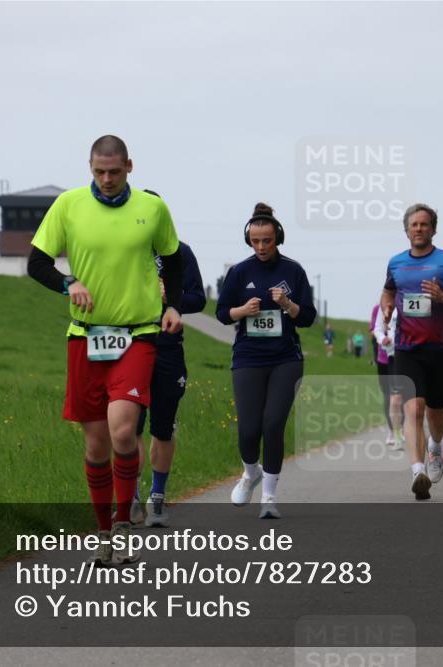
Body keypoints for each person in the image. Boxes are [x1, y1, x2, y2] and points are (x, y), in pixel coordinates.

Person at [28, 135, 182, 565]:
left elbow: (173, 260)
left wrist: (172, 306)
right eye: (99, 171)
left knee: (123, 431)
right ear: (90, 167)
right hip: (86, 337)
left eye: (114, 171)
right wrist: (68, 283)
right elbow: (36, 262)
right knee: (96, 446)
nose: (107, 179)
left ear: (129, 167)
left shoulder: (152, 209)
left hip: (138, 334)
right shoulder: (69, 205)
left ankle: (123, 523)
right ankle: (102, 533)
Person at [216, 203, 316, 519]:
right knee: (248, 430)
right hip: (248, 357)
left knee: (272, 425)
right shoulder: (239, 272)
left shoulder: (293, 271)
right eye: (255, 241)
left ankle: (269, 498)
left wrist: (288, 304)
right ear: (248, 240)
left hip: (286, 358)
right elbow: (222, 313)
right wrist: (242, 311)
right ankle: (251, 473)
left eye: (267, 241)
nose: (261, 247)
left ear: (278, 239)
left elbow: (308, 318)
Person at [381, 203, 443, 500]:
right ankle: (417, 471)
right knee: (414, 408)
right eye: (414, 224)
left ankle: (434, 447)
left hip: (439, 348)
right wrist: (386, 307)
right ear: (406, 230)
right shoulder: (396, 262)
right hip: (407, 348)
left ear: (433, 229)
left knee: (436, 413)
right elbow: (388, 290)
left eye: (424, 224)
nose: (419, 228)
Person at [129, 235, 206, 528]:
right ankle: (131, 498)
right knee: (129, 425)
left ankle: (157, 496)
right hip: (130, 345)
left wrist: (172, 298)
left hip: (168, 348)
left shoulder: (180, 252)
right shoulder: (124, 247)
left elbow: (198, 299)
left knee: (163, 427)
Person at [371, 303, 404, 449]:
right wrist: (383, 338)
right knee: (389, 397)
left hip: (409, 355)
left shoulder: (409, 301)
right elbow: (375, 329)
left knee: (405, 398)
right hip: (386, 357)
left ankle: (402, 429)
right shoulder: (379, 307)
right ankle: (393, 432)